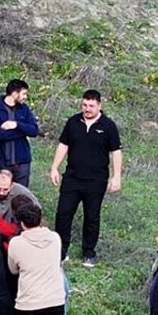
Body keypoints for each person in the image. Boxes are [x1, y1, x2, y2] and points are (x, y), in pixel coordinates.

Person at [49, 89, 123, 267]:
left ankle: (89, 252)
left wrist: (117, 177)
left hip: (96, 180)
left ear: (99, 105)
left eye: (91, 106)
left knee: (92, 216)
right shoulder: (73, 122)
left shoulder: (108, 126)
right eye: (84, 105)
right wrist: (54, 168)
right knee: (63, 214)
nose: (87, 109)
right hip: (72, 177)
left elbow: (116, 152)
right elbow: (63, 145)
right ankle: (61, 250)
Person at [7, 201, 74, 315]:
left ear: (21, 223)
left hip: (29, 301)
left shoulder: (16, 243)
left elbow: (13, 269)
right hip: (54, 298)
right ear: (40, 219)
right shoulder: (55, 238)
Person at [0, 79, 40, 186]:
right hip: (1, 162)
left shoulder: (24, 109)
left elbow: (34, 130)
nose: (25, 97)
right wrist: (22, 133)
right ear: (14, 93)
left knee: (21, 193)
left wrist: (16, 125)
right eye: (24, 94)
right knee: (1, 192)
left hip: (22, 162)